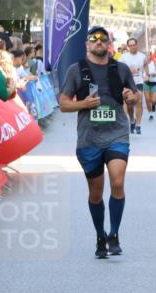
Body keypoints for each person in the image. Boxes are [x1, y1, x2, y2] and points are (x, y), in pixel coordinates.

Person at [58, 26, 139, 259]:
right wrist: (82, 104)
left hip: (117, 134)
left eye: (103, 39)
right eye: (94, 39)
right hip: (89, 138)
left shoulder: (120, 68)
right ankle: (100, 235)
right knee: (95, 192)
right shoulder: (76, 70)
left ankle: (114, 234)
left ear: (109, 44)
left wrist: (131, 98)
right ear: (87, 44)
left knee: (117, 180)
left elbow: (134, 96)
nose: (99, 42)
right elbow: (63, 104)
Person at [118, 38, 147, 134]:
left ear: (137, 45)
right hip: (127, 83)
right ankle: (132, 120)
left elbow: (146, 66)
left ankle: (138, 125)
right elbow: (119, 70)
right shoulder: (123, 57)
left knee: (139, 101)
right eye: (130, 45)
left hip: (138, 82)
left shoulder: (142, 56)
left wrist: (147, 75)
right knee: (129, 103)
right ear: (128, 47)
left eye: (133, 44)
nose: (132, 47)